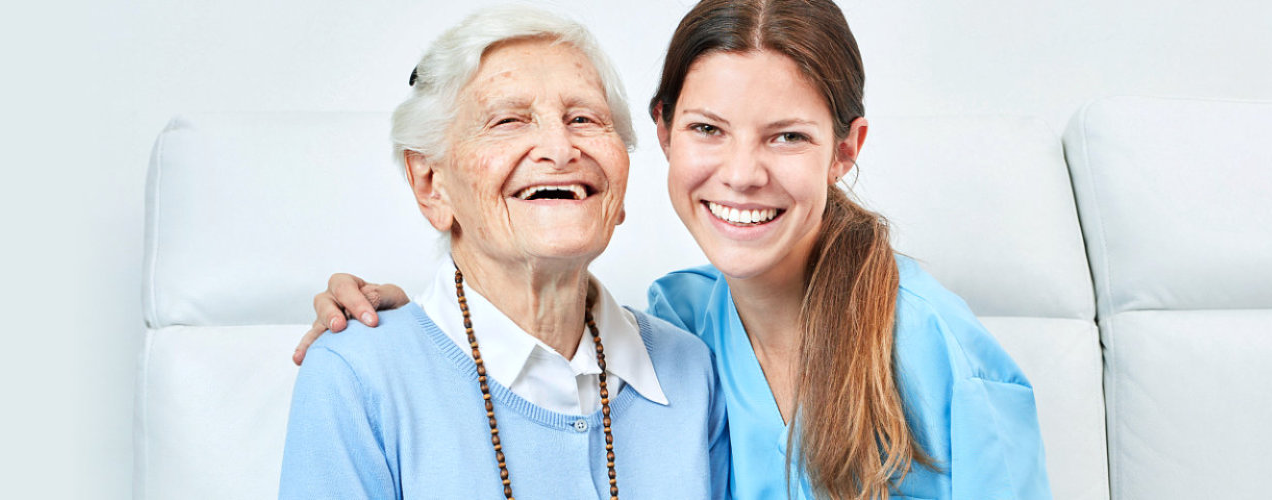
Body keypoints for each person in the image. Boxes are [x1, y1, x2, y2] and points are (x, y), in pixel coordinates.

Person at [299, 1, 1052, 498]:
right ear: (664, 136)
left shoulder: (936, 352)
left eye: (787, 135)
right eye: (708, 129)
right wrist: (396, 336)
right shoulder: (685, 324)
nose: (743, 173)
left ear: (845, 149)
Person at [278, 6, 725, 499]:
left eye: (584, 118)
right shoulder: (356, 376)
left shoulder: (692, 370)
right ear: (432, 185)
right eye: (509, 121)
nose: (559, 149)